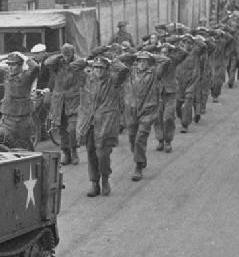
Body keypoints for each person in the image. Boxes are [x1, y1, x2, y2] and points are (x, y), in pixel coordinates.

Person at [75, 54, 128, 197]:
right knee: (91, 153)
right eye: (96, 67)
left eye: (101, 68)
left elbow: (123, 70)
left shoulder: (113, 80)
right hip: (89, 123)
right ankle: (94, 183)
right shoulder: (87, 79)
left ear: (107, 69)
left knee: (103, 154)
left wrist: (112, 60)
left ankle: (105, 179)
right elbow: (74, 67)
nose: (98, 70)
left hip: (106, 123)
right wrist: (87, 59)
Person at [121, 49, 169, 181]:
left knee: (140, 138)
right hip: (131, 110)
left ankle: (138, 167)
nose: (142, 63)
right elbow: (118, 62)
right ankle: (140, 158)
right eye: (140, 60)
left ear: (149, 62)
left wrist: (151, 54)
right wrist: (133, 54)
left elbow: (166, 60)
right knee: (132, 138)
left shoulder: (154, 73)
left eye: (145, 61)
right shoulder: (130, 71)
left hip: (147, 110)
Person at [0, 51, 40, 150]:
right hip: (7, 119)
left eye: (13, 65)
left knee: (25, 146)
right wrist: (5, 56)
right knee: (4, 143)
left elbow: (35, 67)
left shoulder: (27, 76)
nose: (10, 68)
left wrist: (22, 56)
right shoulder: (5, 75)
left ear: (20, 66)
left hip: (22, 120)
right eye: (9, 65)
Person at [44, 43, 84, 165]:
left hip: (73, 100)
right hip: (60, 101)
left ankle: (74, 152)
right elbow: (47, 63)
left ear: (73, 53)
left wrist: (70, 61)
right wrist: (59, 56)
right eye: (64, 54)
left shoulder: (78, 62)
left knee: (72, 129)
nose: (66, 57)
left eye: (68, 54)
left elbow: (80, 63)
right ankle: (66, 153)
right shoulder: (58, 62)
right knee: (62, 131)